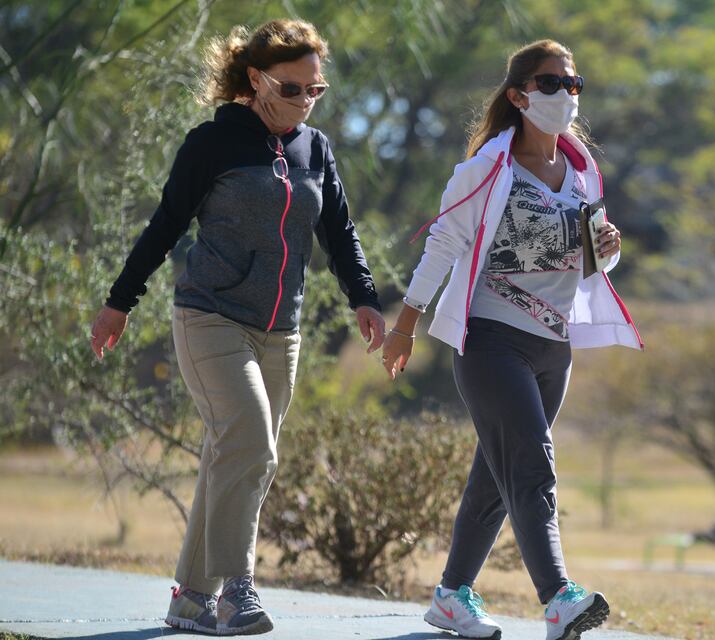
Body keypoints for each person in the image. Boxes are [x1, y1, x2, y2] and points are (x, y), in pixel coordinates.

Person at [89, 19, 385, 636]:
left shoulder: (315, 148)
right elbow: (166, 223)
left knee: (236, 455)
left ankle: (191, 598)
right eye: (292, 88)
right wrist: (120, 301)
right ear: (256, 79)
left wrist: (363, 297)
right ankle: (237, 591)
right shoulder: (213, 143)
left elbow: (339, 231)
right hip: (211, 317)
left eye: (315, 89)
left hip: (283, 331)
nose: (305, 100)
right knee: (251, 444)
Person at [382, 39, 642, 640]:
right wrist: (405, 325)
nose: (564, 95)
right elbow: (443, 244)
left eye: (572, 84)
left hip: (553, 347)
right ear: (519, 96)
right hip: (492, 341)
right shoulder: (486, 169)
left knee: (496, 477)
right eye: (550, 83)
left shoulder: (582, 173)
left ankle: (451, 596)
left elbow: (589, 256)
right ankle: (558, 599)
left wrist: (609, 250)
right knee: (531, 465)